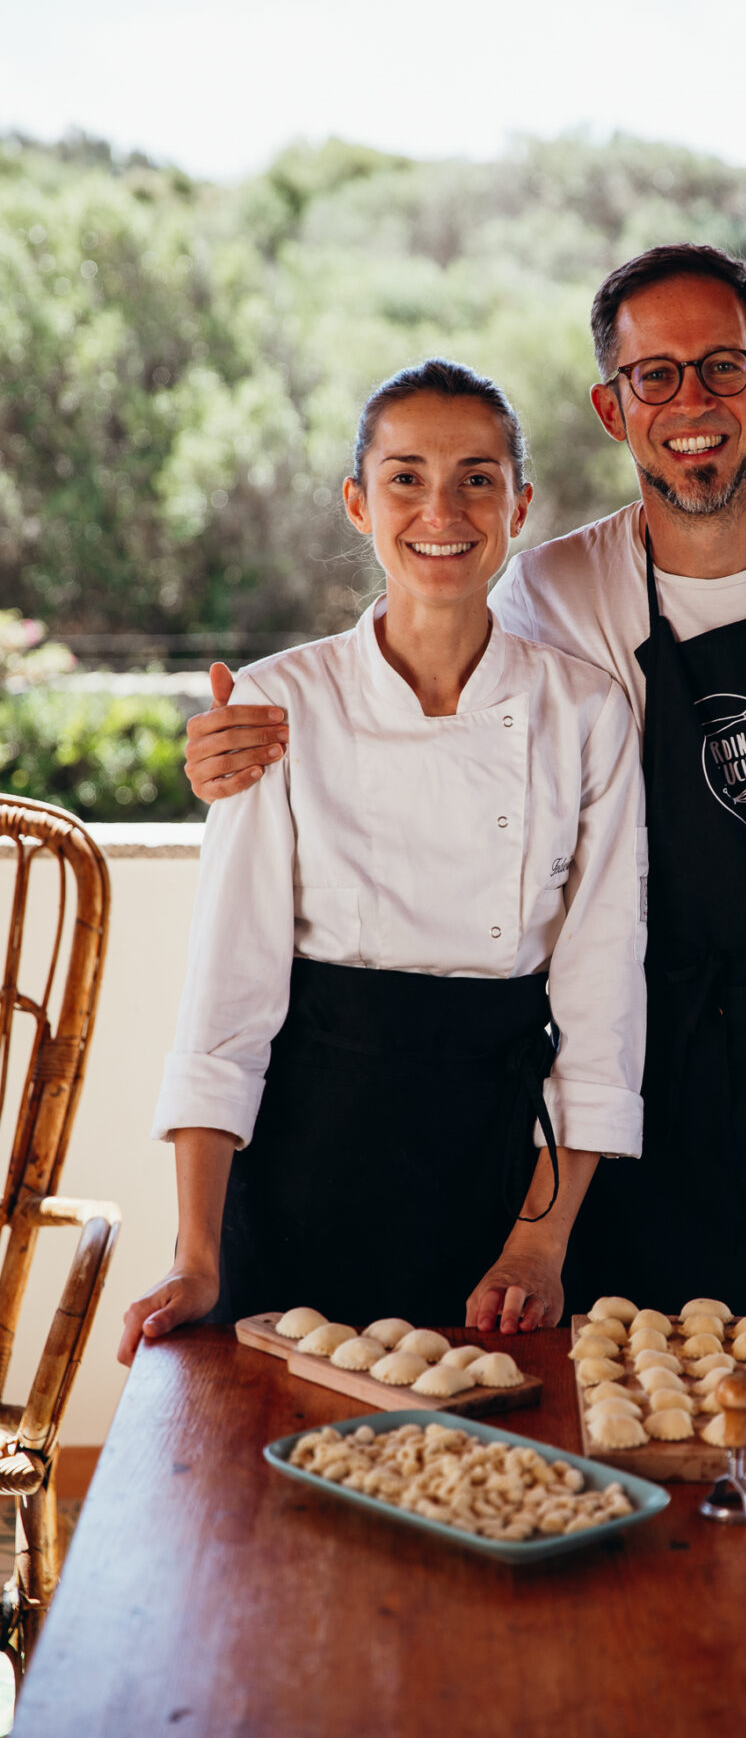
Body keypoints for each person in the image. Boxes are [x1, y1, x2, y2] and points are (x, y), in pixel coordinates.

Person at [182, 245, 746, 1318]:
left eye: (722, 367)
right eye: (655, 376)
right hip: (642, 1073)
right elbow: (429, 668)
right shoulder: (551, 589)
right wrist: (239, 747)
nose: (691, 401)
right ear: (614, 410)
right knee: (631, 1402)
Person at [118, 359, 646, 1366]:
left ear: (520, 506)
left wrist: (540, 1243)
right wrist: (195, 1255)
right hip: (308, 1159)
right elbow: (226, 1002)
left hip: (501, 1166)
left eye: (476, 478)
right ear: (359, 504)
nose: (439, 508)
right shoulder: (278, 706)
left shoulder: (586, 713)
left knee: (497, 1475)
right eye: (405, 477)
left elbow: (601, 992)